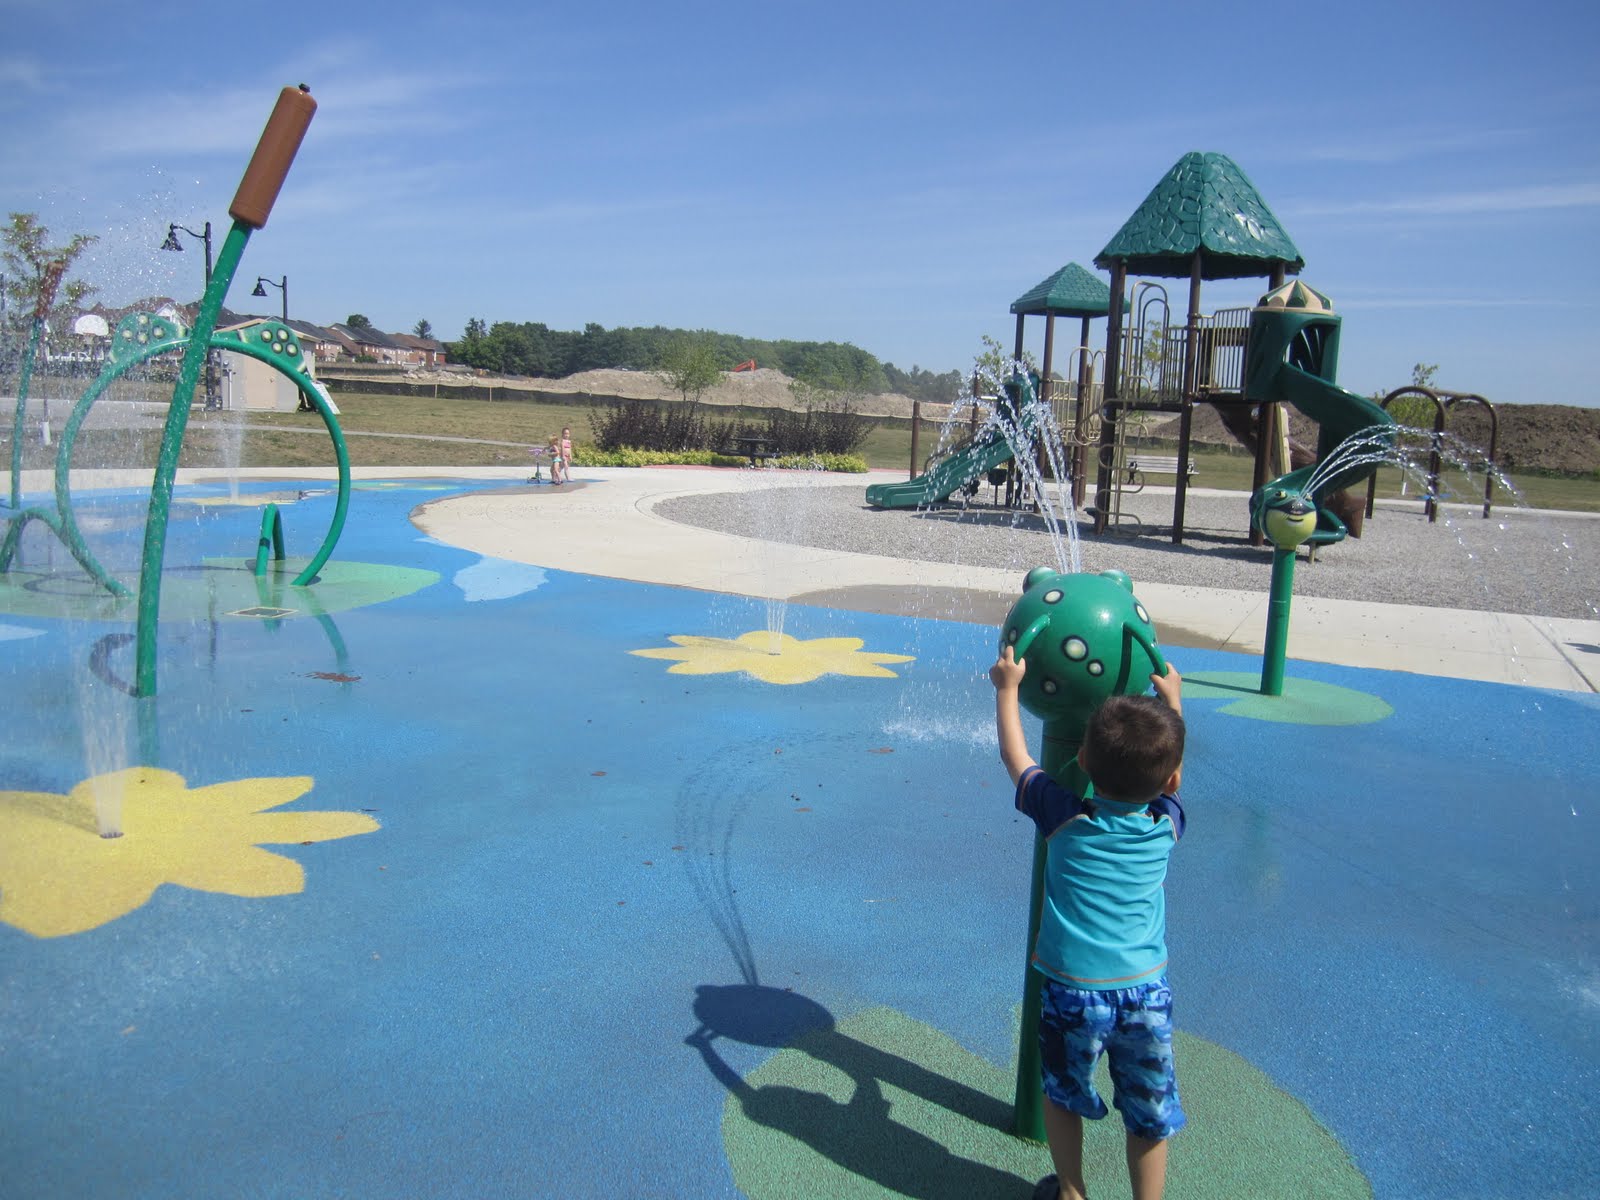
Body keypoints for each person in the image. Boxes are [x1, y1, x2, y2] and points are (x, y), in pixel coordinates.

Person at [989, 647, 1187, 1200]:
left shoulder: (1065, 818)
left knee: (1063, 1092)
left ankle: (1072, 1192)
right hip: (1146, 992)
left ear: (1080, 754)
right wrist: (1173, 701)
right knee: (1149, 1110)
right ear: (1170, 778)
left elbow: (1016, 758)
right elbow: (1170, 781)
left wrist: (1007, 688)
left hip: (1074, 991)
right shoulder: (1165, 825)